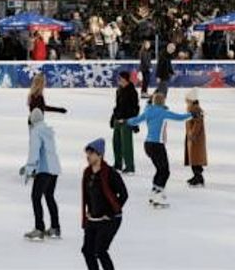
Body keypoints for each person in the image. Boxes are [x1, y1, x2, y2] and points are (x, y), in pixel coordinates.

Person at [124, 92, 192, 207]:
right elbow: (179, 117)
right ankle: (157, 197)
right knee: (165, 171)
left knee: (160, 169)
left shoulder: (148, 111)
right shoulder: (163, 112)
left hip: (148, 145)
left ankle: (155, 192)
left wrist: (127, 121)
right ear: (163, 102)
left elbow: (136, 120)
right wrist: (192, 114)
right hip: (157, 145)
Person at [81, 138, 128, 270]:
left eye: (91, 153)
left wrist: (111, 213)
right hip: (94, 218)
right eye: (87, 153)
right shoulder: (88, 173)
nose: (88, 156)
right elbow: (87, 195)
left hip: (110, 220)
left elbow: (124, 194)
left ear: (100, 155)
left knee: (100, 251)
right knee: (87, 251)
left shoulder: (111, 173)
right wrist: (89, 211)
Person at [22, 108, 61, 240]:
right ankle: (55, 228)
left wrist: (29, 169)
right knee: (49, 196)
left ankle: (39, 228)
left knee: (36, 197)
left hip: (44, 170)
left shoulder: (35, 131)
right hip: (54, 169)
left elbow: (34, 152)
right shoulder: (48, 130)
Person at [110, 71, 139, 174]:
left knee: (126, 145)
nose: (119, 81)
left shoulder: (132, 92)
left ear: (126, 79)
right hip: (117, 120)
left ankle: (130, 166)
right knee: (116, 143)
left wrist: (132, 121)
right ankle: (118, 164)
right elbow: (117, 105)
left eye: (121, 79)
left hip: (127, 121)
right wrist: (113, 118)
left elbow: (135, 108)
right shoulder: (119, 90)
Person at [184, 89, 207, 186]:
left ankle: (198, 177)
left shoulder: (194, 109)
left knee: (195, 158)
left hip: (195, 138)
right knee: (194, 157)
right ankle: (197, 176)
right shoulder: (193, 108)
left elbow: (197, 123)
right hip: (193, 137)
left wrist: (192, 134)